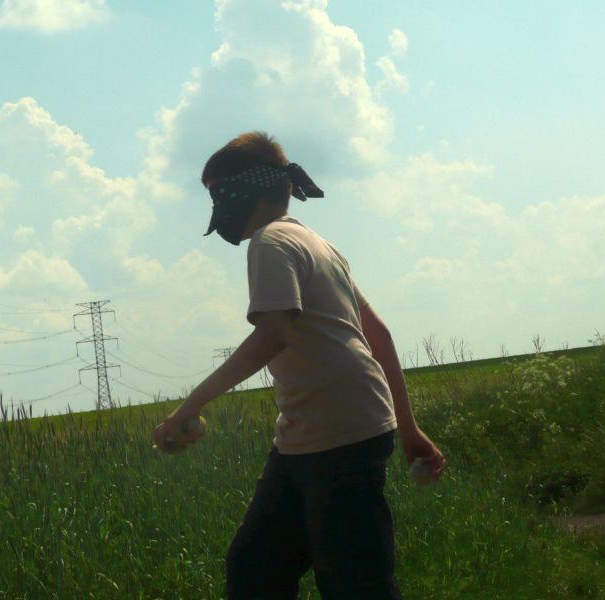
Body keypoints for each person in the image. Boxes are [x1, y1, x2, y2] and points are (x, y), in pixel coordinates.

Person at [153, 131, 446, 599]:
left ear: (241, 191)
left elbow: (273, 334)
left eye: (216, 194)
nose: (215, 208)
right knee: (256, 567)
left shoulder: (270, 243)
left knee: (352, 583)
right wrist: (407, 429)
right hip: (314, 434)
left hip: (339, 433)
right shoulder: (316, 243)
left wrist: (189, 407)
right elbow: (379, 335)